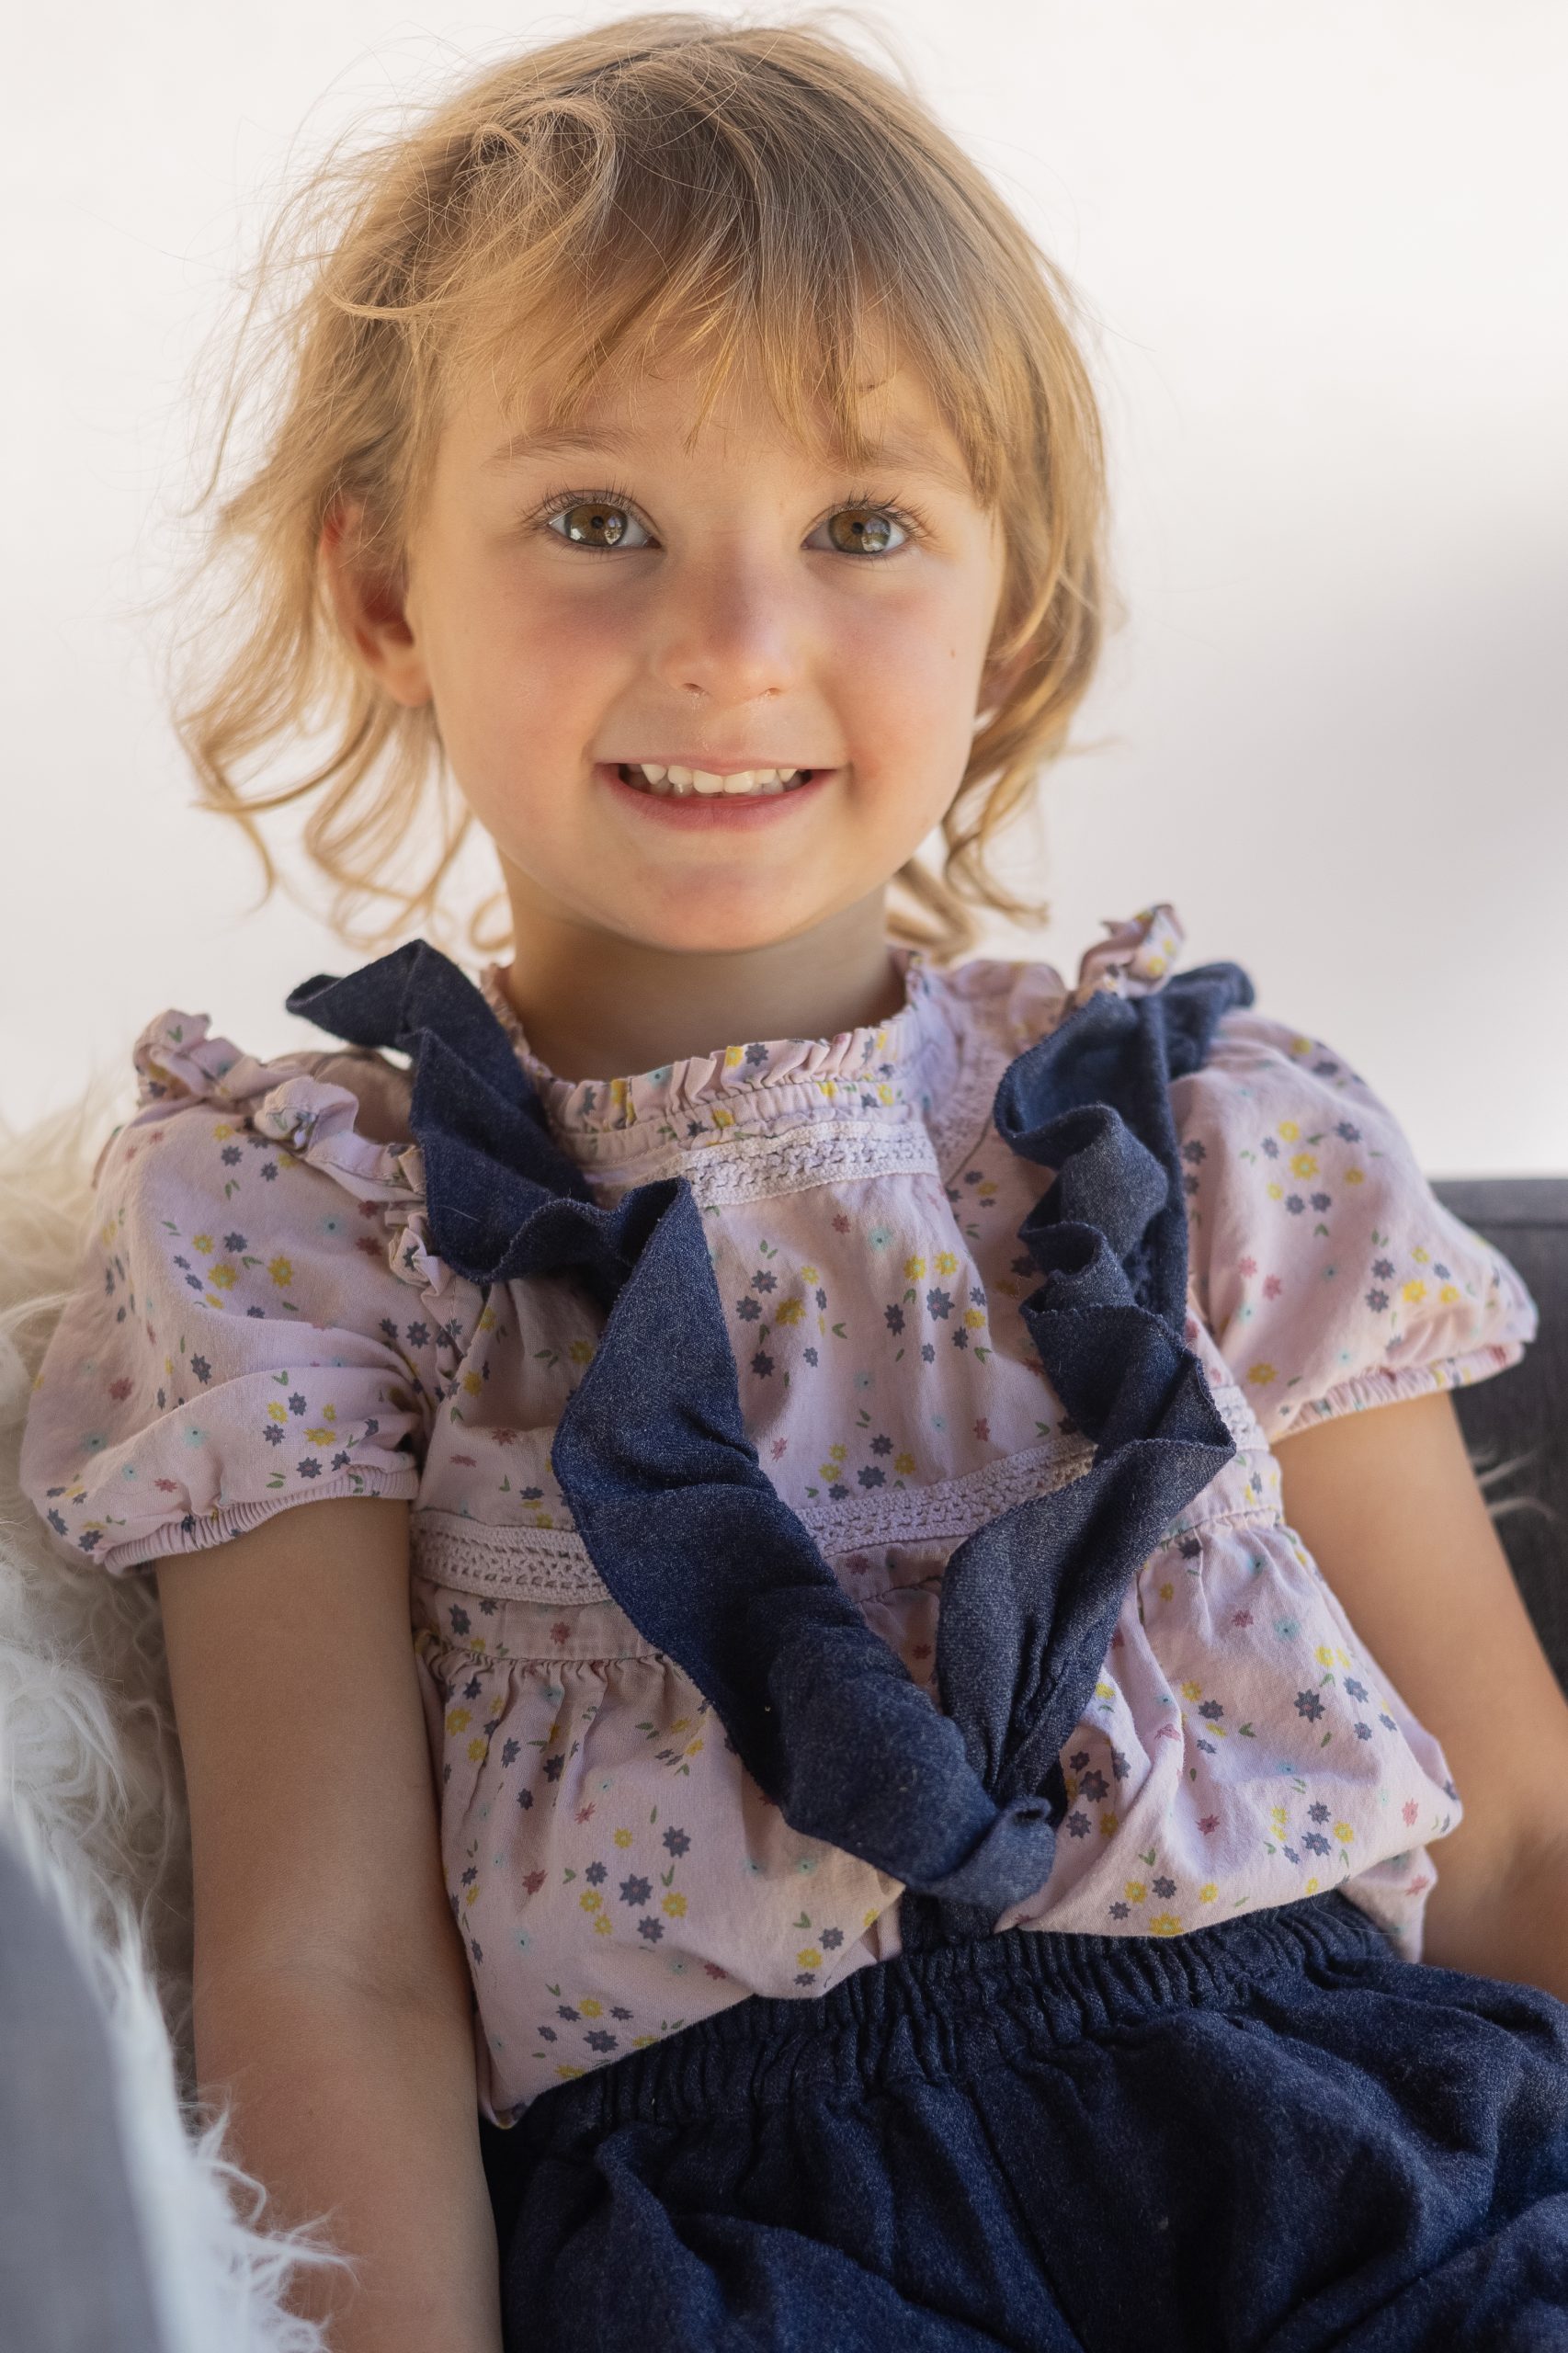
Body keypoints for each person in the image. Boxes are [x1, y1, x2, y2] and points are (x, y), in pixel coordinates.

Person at [20, 17, 1568, 2350]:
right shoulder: (296, 1226)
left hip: (1376, 2156)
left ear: (1008, 616)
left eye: (860, 527)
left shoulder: (1215, 1131)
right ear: (387, 592)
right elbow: (328, 1966)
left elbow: (1516, 1830)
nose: (733, 647)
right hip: (747, 2243)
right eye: (597, 519)